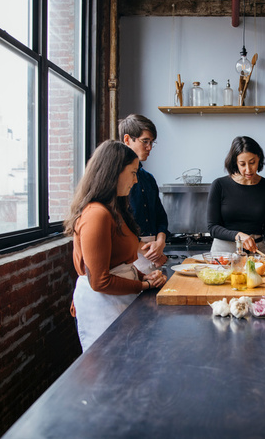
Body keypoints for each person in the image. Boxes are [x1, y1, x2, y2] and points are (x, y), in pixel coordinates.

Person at [64, 140, 167, 352]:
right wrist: (144, 286)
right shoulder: (96, 214)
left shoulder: (114, 210)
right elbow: (100, 281)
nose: (136, 180)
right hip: (102, 304)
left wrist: (143, 276)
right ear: (114, 172)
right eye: (132, 172)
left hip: (117, 299)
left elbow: (119, 264)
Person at [207, 136, 265, 261]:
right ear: (235, 162)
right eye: (242, 164)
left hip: (257, 252)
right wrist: (238, 236)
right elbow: (213, 228)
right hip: (224, 254)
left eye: (252, 162)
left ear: (259, 158)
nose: (248, 169)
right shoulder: (219, 185)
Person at [119, 114, 170, 270]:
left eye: (152, 143)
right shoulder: (116, 179)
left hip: (152, 253)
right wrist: (142, 247)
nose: (149, 148)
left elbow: (161, 217)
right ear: (127, 140)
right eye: (145, 141)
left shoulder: (148, 178)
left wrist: (161, 241)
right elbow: (116, 224)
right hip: (128, 254)